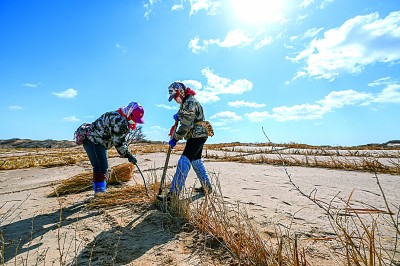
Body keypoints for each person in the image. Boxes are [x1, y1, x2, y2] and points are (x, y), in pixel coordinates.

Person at [77, 101, 144, 195]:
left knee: (102, 167)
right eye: (134, 119)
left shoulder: (120, 115)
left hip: (98, 141)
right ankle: (100, 193)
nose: (135, 121)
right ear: (129, 113)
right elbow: (119, 142)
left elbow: (120, 139)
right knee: (101, 167)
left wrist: (127, 153)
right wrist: (128, 155)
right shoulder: (120, 121)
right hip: (93, 141)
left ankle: (100, 190)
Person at [166, 81, 212, 197]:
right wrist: (179, 115)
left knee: (184, 160)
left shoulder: (190, 102)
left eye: (175, 97)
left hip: (197, 135)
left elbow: (186, 124)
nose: (175, 100)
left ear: (180, 93)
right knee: (195, 161)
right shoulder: (186, 102)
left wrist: (175, 139)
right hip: (197, 135)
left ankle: (173, 194)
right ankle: (207, 187)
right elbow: (184, 115)